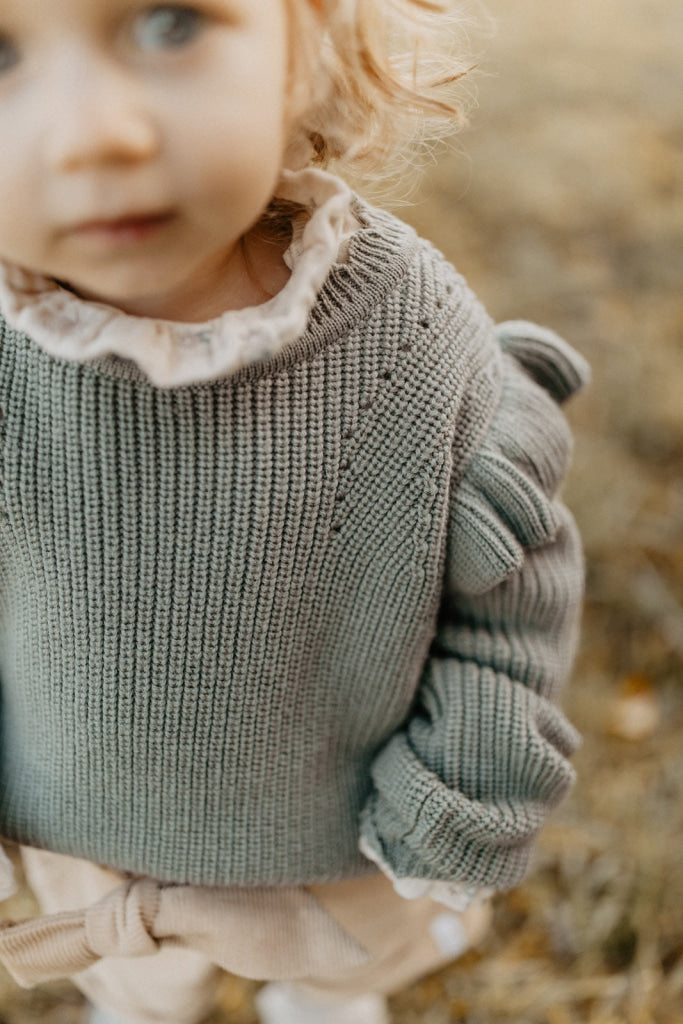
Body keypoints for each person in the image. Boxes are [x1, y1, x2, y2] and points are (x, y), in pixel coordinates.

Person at [0, 1, 590, 1022]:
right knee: (135, 999)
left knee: (333, 990)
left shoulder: (413, 336)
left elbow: (507, 595)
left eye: (170, 23)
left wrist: (456, 793)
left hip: (344, 839)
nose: (97, 133)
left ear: (308, 38)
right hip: (82, 834)